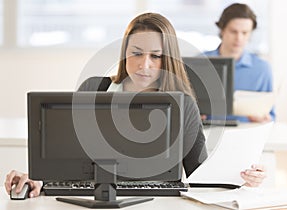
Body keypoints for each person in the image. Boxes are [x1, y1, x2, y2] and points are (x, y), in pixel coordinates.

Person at [5, 12, 266, 198]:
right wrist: (35, 179)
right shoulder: (94, 89)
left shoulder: (183, 105)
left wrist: (242, 179)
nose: (144, 65)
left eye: (156, 56)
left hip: (157, 205)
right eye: (137, 53)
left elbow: (202, 178)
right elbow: (62, 161)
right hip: (88, 202)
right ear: (124, 53)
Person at [204, 3, 275, 122]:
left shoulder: (262, 69)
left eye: (245, 33)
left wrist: (263, 119)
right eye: (233, 31)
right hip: (208, 135)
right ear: (222, 30)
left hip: (247, 135)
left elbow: (271, 115)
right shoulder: (200, 63)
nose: (239, 38)